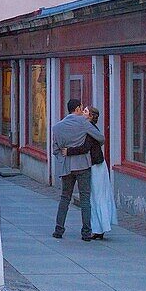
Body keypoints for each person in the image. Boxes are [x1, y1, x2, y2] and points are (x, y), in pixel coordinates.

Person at [51, 98, 105, 241]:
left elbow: (55, 150)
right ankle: (86, 232)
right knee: (85, 199)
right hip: (82, 165)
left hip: (66, 166)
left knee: (64, 198)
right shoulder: (84, 123)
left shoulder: (57, 127)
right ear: (77, 109)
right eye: (81, 108)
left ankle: (58, 229)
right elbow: (101, 138)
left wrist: (64, 154)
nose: (82, 111)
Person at [64, 107, 117, 239]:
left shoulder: (90, 128)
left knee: (97, 196)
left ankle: (99, 228)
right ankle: (98, 227)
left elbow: (85, 147)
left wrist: (69, 151)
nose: (83, 112)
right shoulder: (87, 127)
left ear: (91, 116)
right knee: (96, 196)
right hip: (95, 165)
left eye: (86, 111)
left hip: (96, 166)